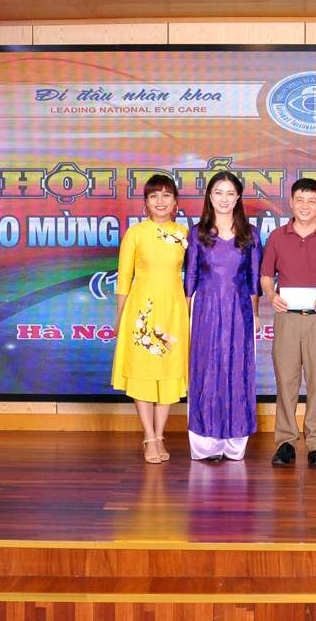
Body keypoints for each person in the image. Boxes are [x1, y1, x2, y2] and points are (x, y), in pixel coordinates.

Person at [260, 178, 316, 467]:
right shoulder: (277, 236)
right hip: (287, 318)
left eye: (311, 201)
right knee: (286, 381)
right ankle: (285, 442)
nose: (305, 206)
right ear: (291, 202)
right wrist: (271, 295)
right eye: (300, 200)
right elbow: (266, 275)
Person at [111, 173, 190, 465]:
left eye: (166, 195)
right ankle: (149, 437)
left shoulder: (184, 234)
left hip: (173, 310)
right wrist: (120, 317)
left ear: (175, 201)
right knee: (143, 373)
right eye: (154, 195)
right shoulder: (135, 233)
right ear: (146, 201)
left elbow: (194, 276)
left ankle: (160, 434)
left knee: (169, 371)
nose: (160, 201)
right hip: (140, 313)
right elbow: (124, 278)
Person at [184, 171, 262, 462]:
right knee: (206, 371)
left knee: (237, 370)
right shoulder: (198, 233)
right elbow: (190, 278)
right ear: (209, 196)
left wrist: (255, 314)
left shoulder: (250, 234)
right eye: (218, 193)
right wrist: (186, 315)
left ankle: (233, 443)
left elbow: (254, 280)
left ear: (238, 197)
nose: (224, 199)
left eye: (230, 193)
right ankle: (207, 444)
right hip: (205, 311)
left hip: (239, 312)